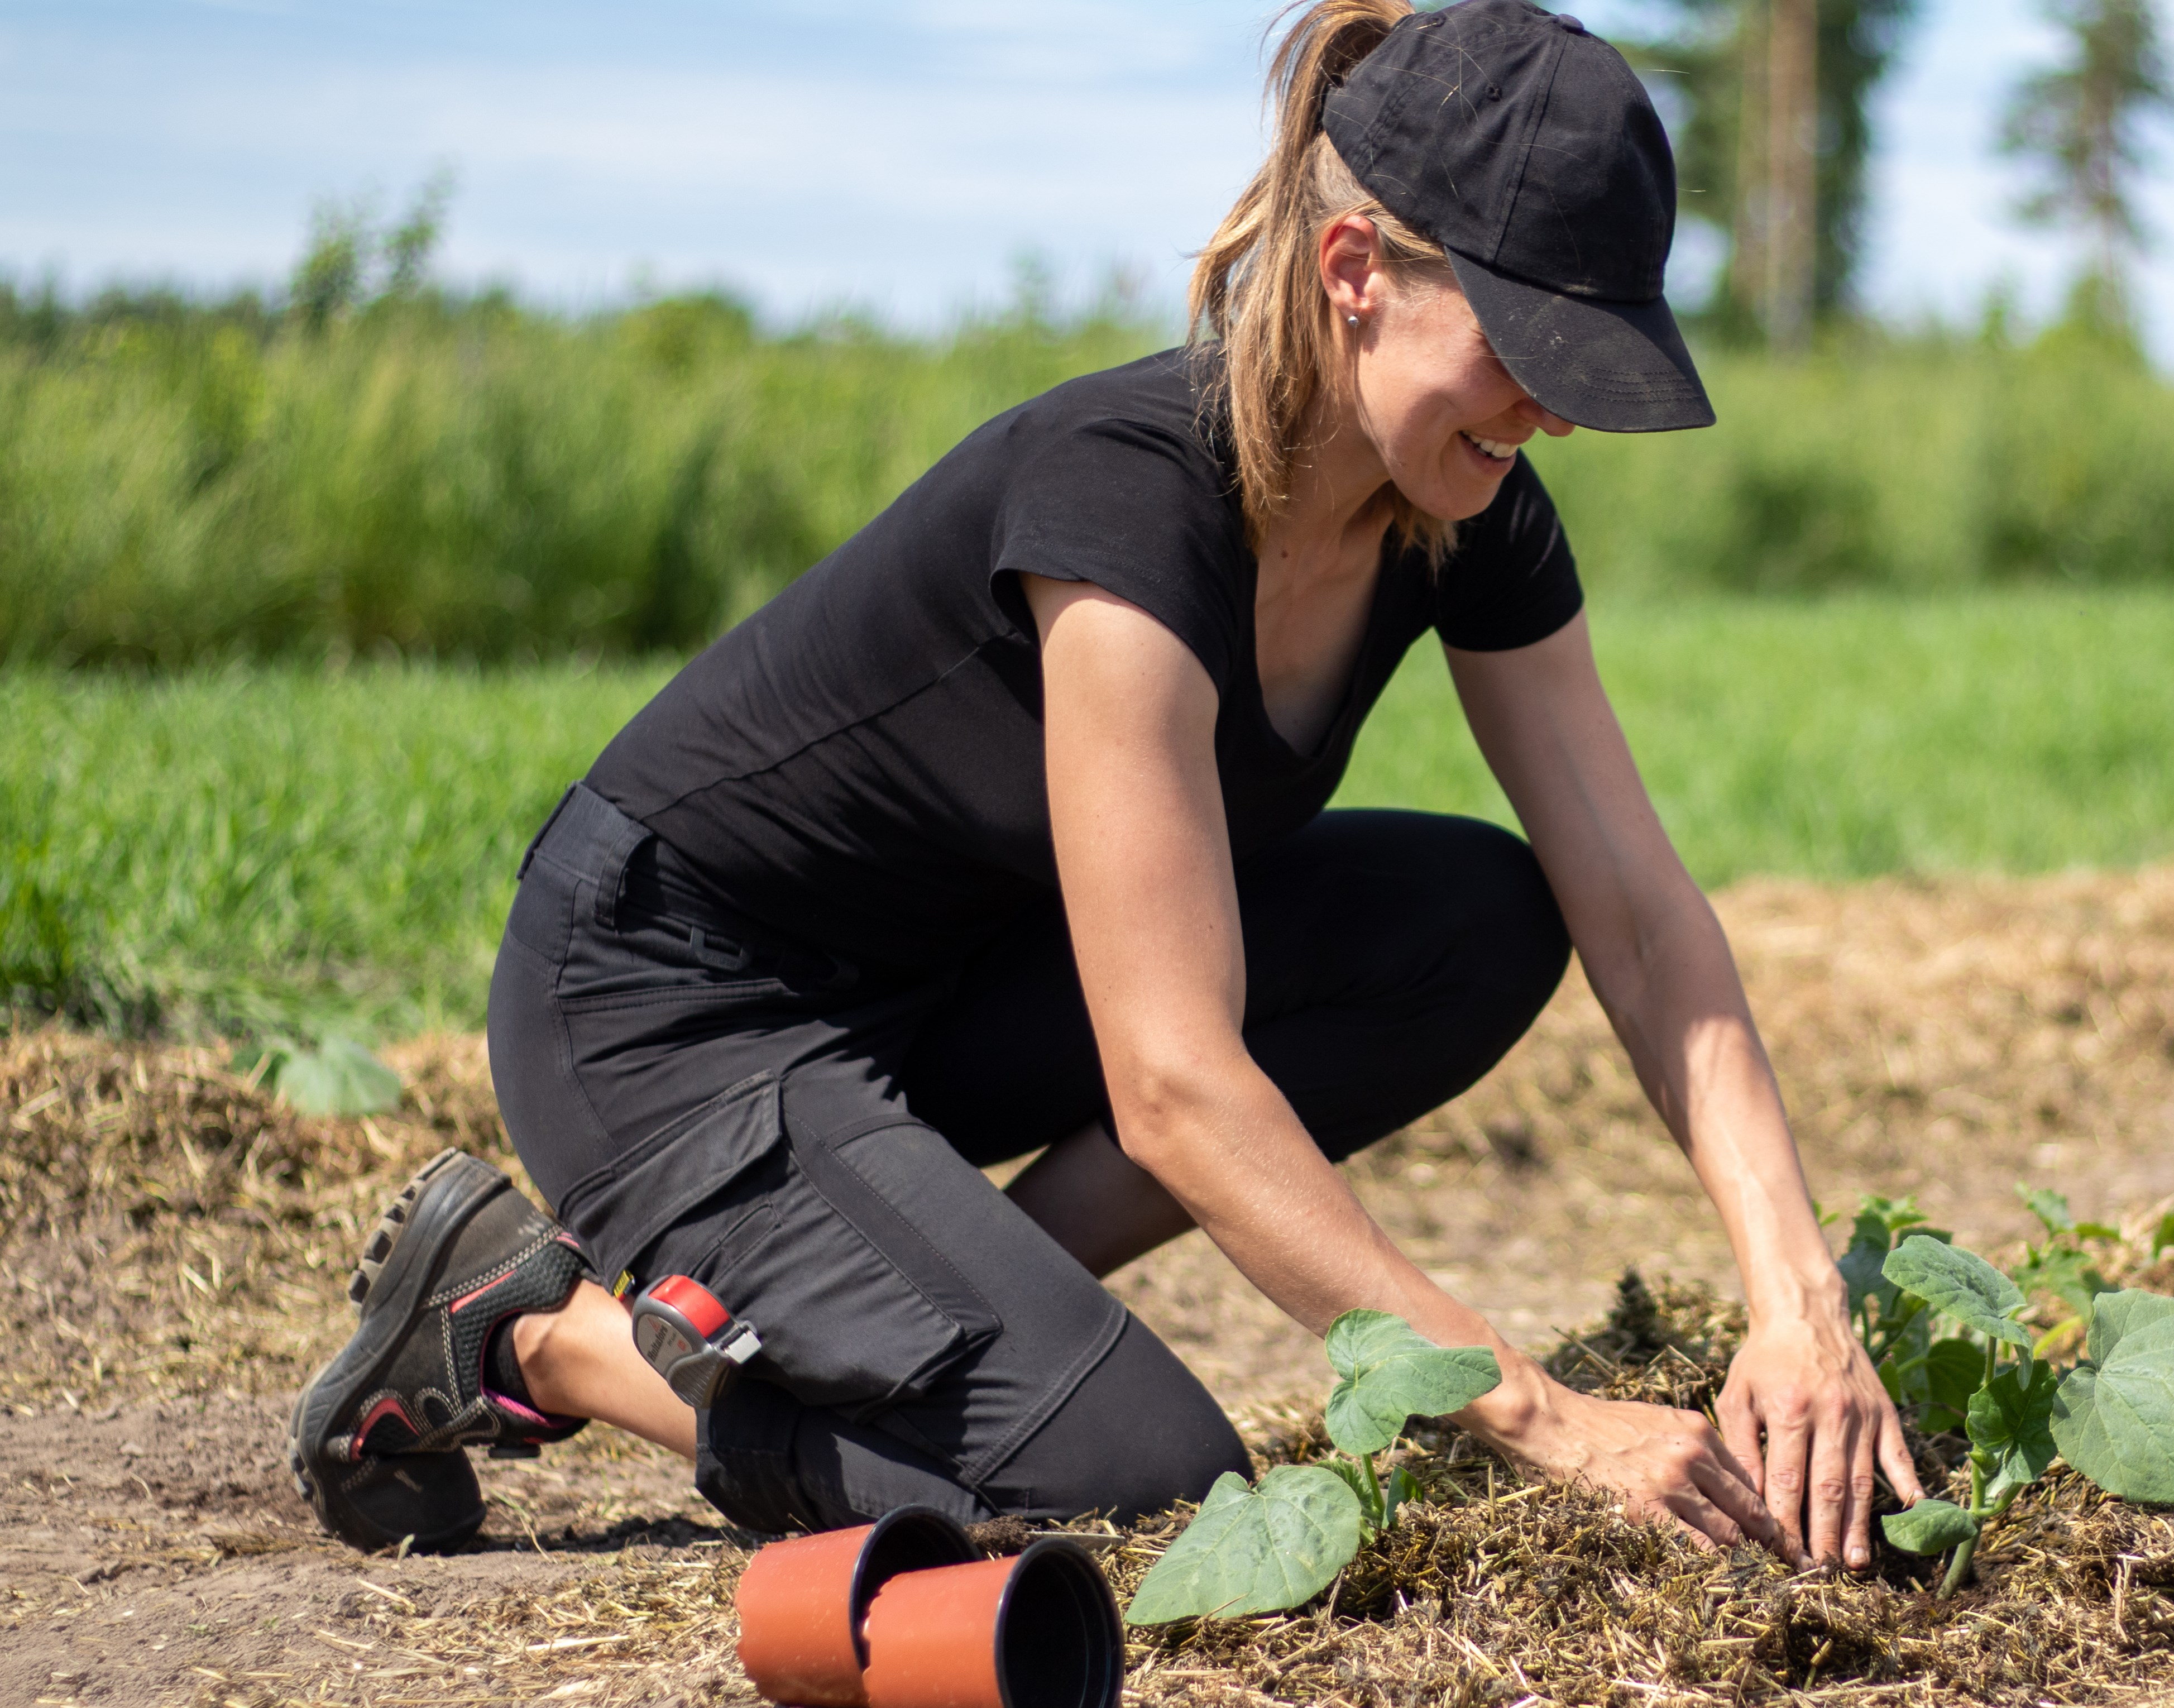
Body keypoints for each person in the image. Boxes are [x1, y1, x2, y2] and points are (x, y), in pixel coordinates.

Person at [289, 0, 1920, 1571]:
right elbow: (1174, 1085)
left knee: (1479, 920)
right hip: (670, 1003)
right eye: (1523, 349)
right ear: (1355, 270)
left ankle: (965, 1310)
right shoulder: (1133, 506)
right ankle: (531, 1328)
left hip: (948, 990)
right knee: (1129, 1482)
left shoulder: (1462, 508)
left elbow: (1634, 910)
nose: (1552, 412)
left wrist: (1800, 1301)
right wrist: (1538, 1414)